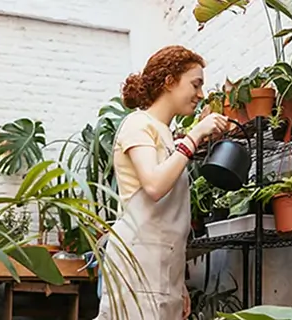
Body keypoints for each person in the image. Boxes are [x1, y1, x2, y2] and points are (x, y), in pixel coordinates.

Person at [93, 45, 228, 320]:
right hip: (138, 261)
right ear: (169, 82)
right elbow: (154, 185)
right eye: (195, 84)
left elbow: (170, 219)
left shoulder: (165, 135)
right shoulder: (138, 124)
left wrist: (178, 282)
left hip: (163, 265)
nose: (200, 94)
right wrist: (196, 135)